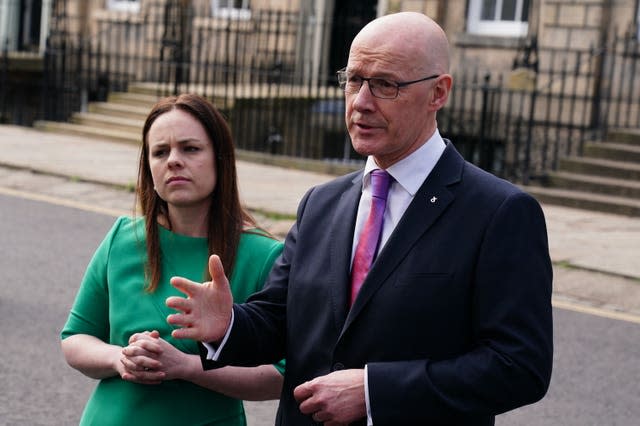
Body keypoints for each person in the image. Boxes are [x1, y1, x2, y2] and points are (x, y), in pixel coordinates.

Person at [166, 12, 553, 426]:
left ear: (438, 93)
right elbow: (281, 319)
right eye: (353, 80)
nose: (360, 102)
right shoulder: (321, 203)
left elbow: (520, 366)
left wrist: (374, 392)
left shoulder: (500, 212)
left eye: (386, 84)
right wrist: (227, 325)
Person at [60, 94, 284, 426]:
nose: (174, 161)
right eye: (160, 152)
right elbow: (76, 338)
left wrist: (187, 366)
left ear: (220, 160)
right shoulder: (123, 238)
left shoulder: (263, 255)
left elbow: (282, 375)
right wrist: (120, 358)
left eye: (190, 149)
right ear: (148, 168)